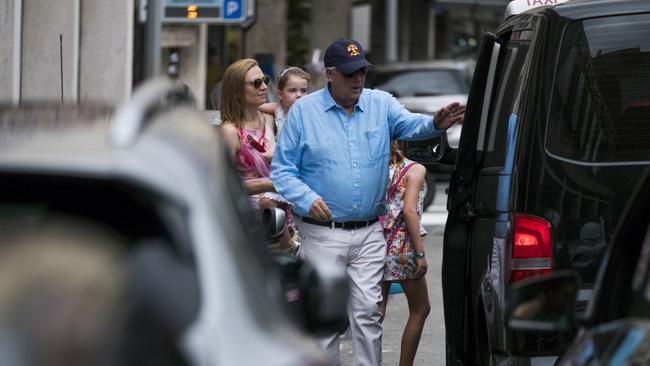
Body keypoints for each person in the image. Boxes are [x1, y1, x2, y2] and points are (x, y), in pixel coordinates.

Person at [270, 39, 465, 365]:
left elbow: (409, 124)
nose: (358, 79)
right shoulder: (304, 112)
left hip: (369, 232)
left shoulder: (380, 103)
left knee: (368, 315)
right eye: (349, 74)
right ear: (330, 74)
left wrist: (434, 123)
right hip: (322, 233)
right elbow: (282, 171)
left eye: (361, 71)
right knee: (325, 318)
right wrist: (308, 197)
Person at [220, 58, 296, 252]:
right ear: (237, 90)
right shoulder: (230, 131)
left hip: (283, 222)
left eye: (265, 80)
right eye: (256, 83)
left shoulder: (270, 119)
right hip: (250, 232)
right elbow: (224, 187)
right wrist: (271, 184)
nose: (263, 86)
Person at [379, 141, 431, 366]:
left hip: (375, 243)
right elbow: (409, 211)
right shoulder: (415, 169)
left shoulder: (376, 169)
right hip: (403, 247)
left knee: (375, 313)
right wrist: (420, 254)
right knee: (421, 308)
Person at [259, 66, 311, 136]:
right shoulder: (278, 108)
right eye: (293, 90)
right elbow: (256, 106)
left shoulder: (309, 111)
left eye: (303, 90)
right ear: (280, 94)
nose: (299, 95)